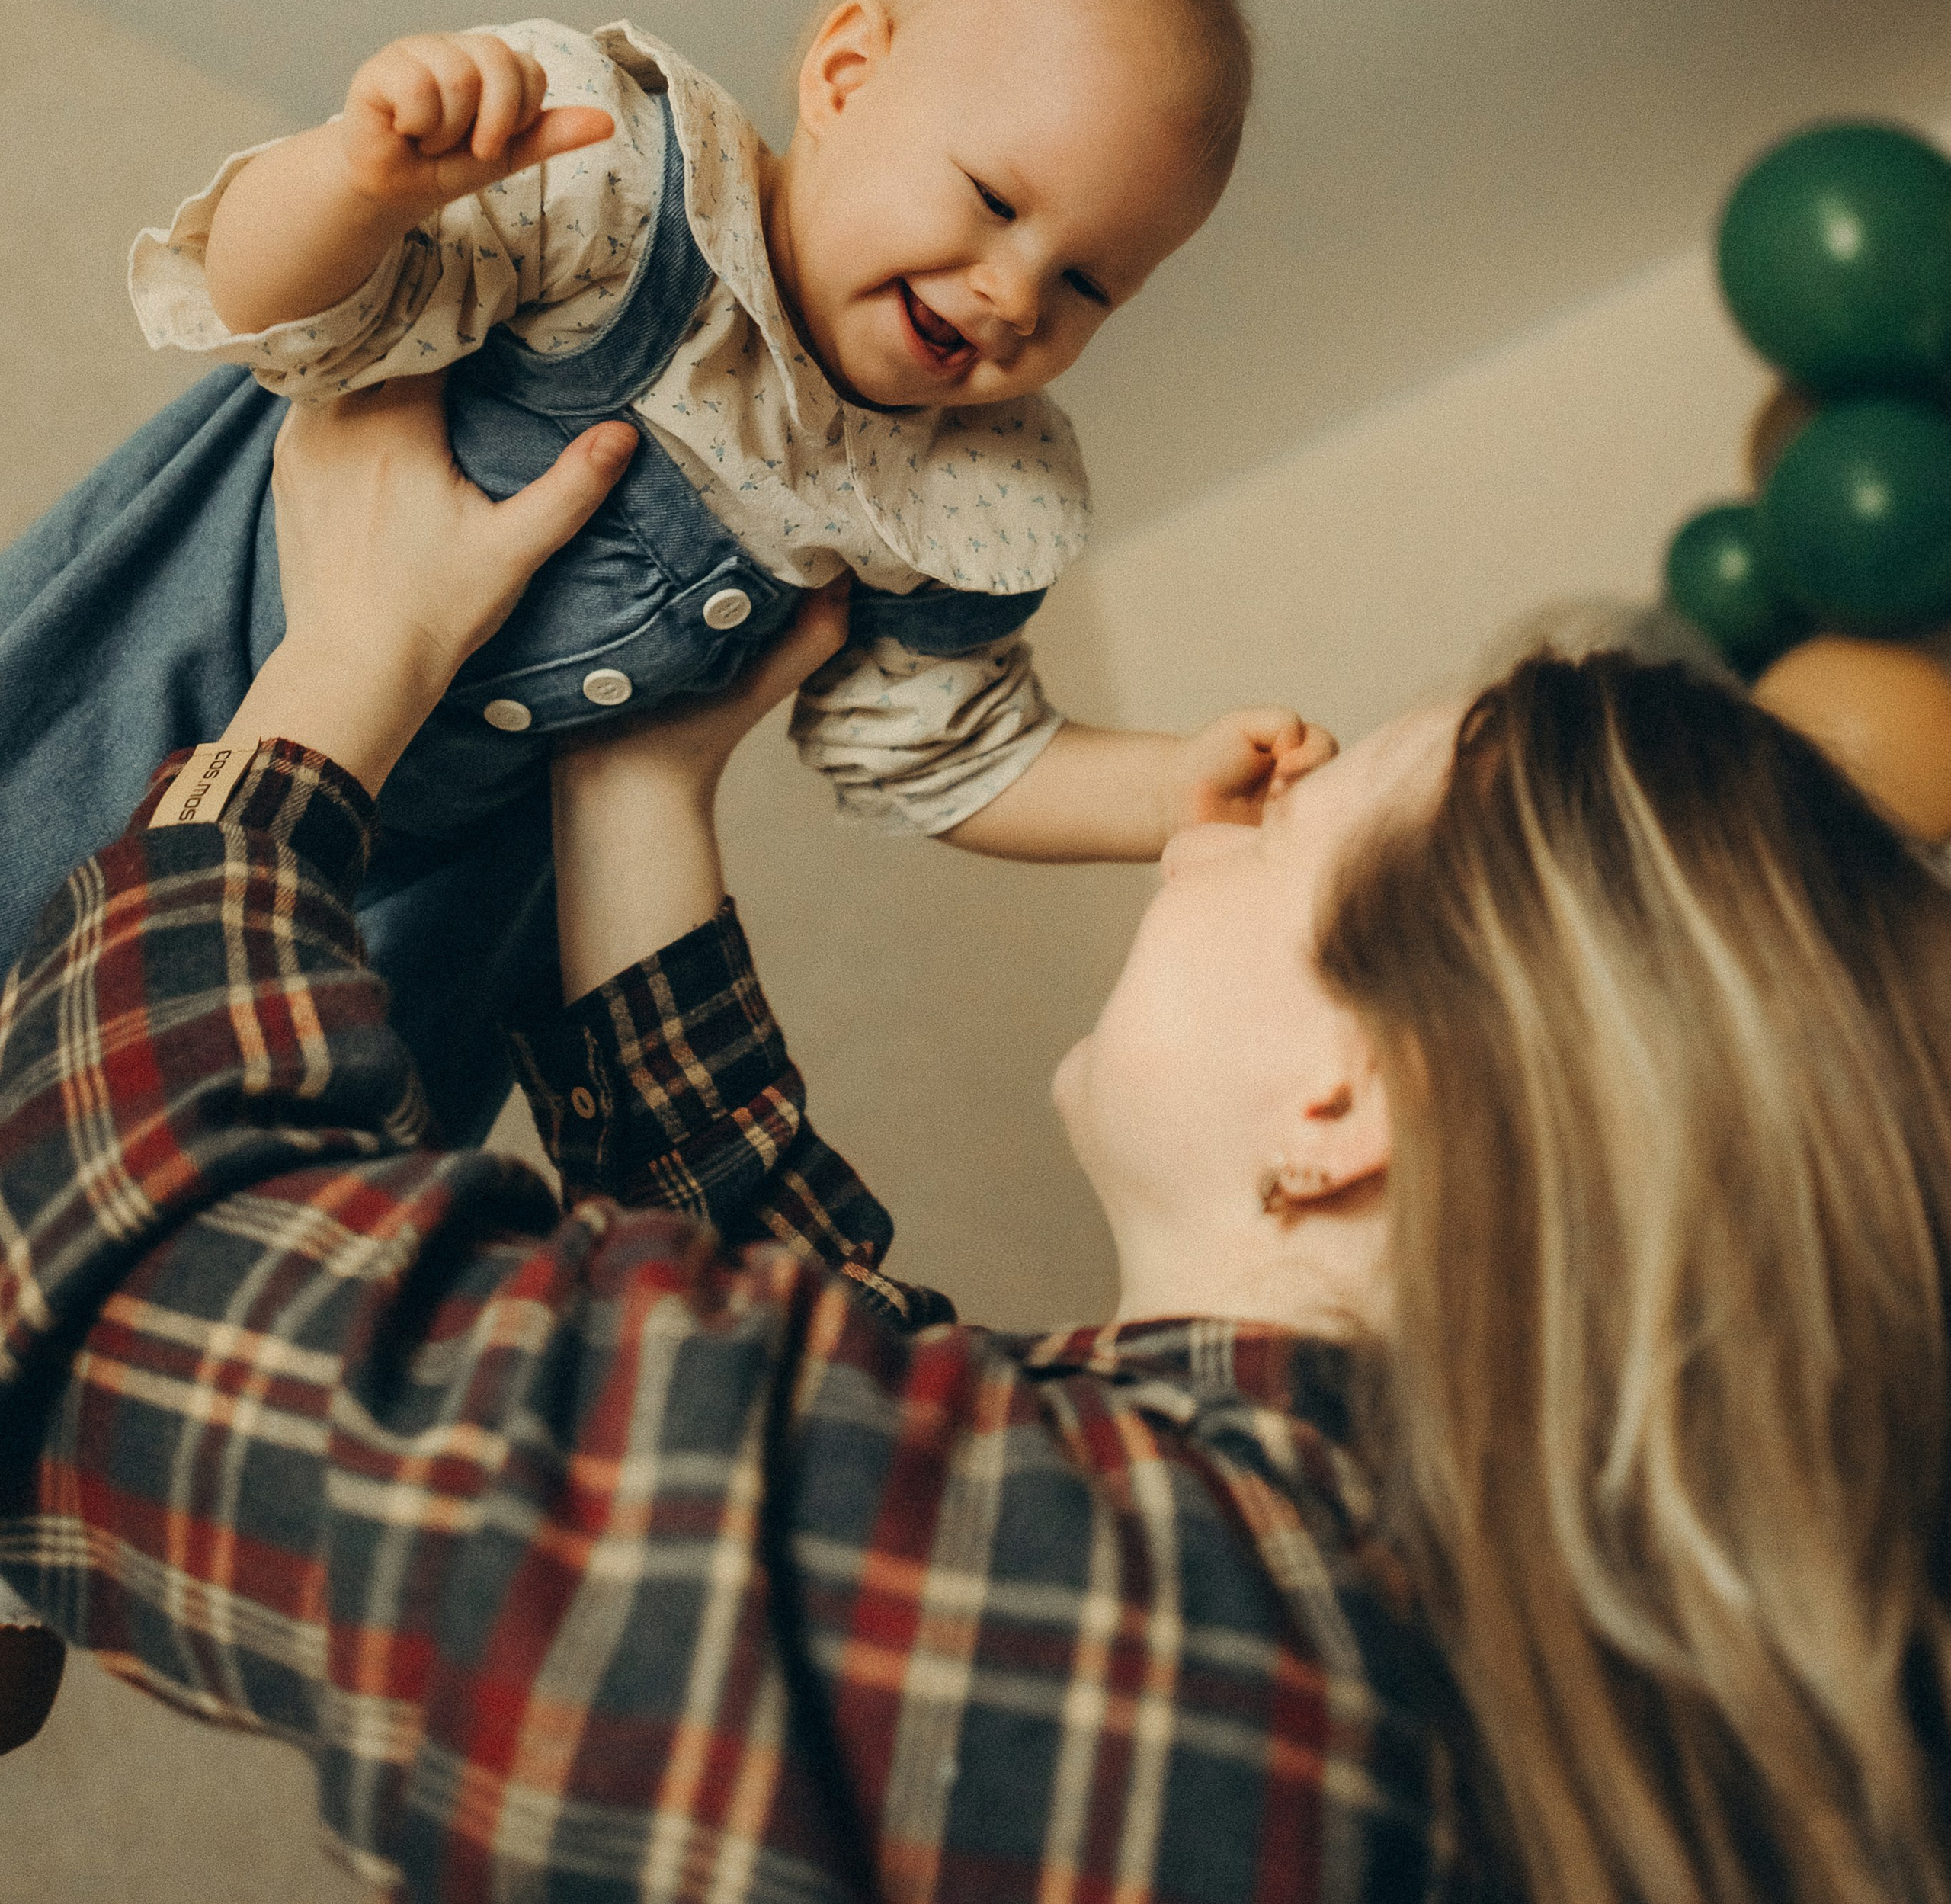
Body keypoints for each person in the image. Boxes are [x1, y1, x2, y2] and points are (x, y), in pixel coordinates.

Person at [10, 385, 1948, 1900]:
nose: (1199, 830)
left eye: (1286, 826)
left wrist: (342, 667)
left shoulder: (1208, 1653)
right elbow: (842, 1367)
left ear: (1344, 1102)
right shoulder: (1404, 1637)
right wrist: (632, 780)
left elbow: (141, 1271)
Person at [0, 0, 1308, 1138]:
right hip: (177, 663)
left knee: (208, 1142)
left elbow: (952, 753)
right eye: (994, 198)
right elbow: (279, 312)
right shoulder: (623, 190)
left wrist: (1171, 787)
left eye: (1090, 283)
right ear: (846, 74)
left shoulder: (948, 491)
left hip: (418, 901)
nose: (1017, 294)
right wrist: (356, 186)